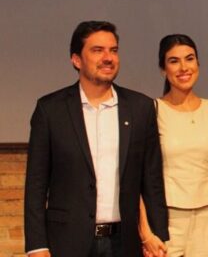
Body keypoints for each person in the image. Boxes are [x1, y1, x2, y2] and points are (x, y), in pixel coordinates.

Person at [24, 20, 169, 257]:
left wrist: (158, 235)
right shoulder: (50, 110)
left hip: (124, 244)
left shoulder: (140, 108)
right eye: (97, 50)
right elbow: (36, 185)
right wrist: (37, 246)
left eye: (113, 50)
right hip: (68, 243)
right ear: (76, 60)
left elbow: (152, 180)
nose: (108, 58)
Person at [138, 34, 208, 257]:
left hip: (206, 217)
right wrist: (146, 231)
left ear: (198, 63)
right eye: (174, 61)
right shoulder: (152, 110)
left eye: (189, 58)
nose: (184, 67)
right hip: (167, 218)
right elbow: (138, 178)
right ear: (163, 69)